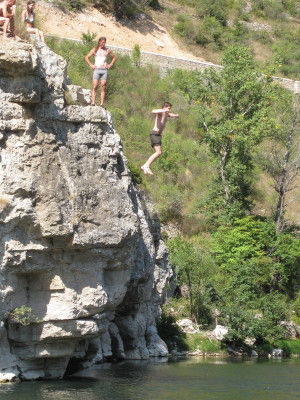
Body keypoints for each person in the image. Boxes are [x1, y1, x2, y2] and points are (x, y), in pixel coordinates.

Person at [141, 102, 179, 175]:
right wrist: (163, 110)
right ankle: (146, 165)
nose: (169, 110)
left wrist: (176, 115)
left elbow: (172, 115)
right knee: (158, 152)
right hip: (154, 134)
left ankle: (146, 167)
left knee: (159, 152)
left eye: (170, 108)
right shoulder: (160, 113)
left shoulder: (167, 114)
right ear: (164, 107)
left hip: (158, 135)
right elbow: (153, 111)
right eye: (168, 108)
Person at [85, 37, 116, 107]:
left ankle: (102, 104)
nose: (103, 44)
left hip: (104, 70)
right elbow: (86, 57)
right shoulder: (95, 50)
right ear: (99, 42)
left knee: (103, 86)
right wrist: (91, 65)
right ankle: (93, 102)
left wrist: (110, 65)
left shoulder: (107, 50)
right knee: (95, 86)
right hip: (97, 69)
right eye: (102, 42)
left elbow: (114, 57)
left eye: (104, 42)